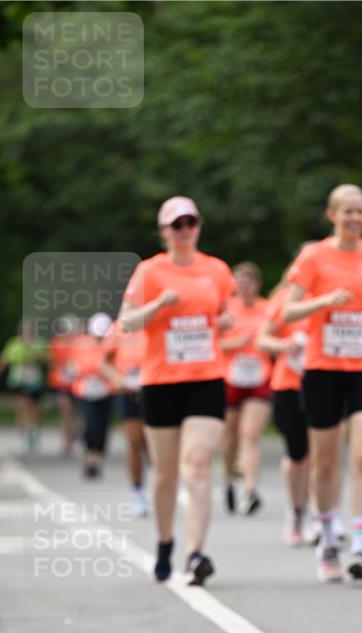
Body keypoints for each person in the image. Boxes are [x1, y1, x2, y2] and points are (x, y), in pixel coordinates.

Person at [118, 195, 236, 585]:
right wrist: (158, 306)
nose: (185, 231)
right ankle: (166, 541)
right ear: (164, 231)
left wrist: (225, 321)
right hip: (161, 381)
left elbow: (225, 313)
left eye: (191, 223)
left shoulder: (216, 269)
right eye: (177, 225)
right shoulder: (150, 271)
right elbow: (128, 323)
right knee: (166, 473)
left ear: (199, 226)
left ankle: (196, 552)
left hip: (206, 378)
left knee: (198, 465)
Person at [283, 183, 362, 582]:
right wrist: (323, 302)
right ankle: (328, 535)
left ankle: (360, 544)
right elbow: (289, 311)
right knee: (324, 462)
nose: (354, 218)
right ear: (332, 215)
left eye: (360, 211)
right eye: (346, 211)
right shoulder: (314, 257)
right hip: (323, 367)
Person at [258, 273, 310, 545]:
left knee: (321, 453)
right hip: (288, 384)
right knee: (296, 453)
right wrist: (284, 345)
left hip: (323, 383)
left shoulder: (332, 298)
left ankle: (314, 513)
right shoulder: (284, 299)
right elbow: (262, 339)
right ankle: (295, 511)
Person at [220, 262, 273, 515]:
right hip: (231, 376)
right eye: (239, 283)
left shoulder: (267, 308)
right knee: (230, 435)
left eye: (248, 283)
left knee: (250, 434)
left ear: (257, 285)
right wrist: (233, 345)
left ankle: (251, 490)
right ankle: (229, 479)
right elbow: (209, 342)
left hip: (260, 376)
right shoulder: (226, 308)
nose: (244, 287)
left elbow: (276, 335)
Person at [100, 320, 150, 517]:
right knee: (134, 441)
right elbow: (104, 363)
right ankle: (137, 491)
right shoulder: (118, 328)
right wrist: (117, 379)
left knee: (155, 443)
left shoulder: (158, 321)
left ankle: (165, 486)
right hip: (128, 391)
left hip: (155, 389)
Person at [68, 312, 115, 477]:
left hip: (106, 391)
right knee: (90, 425)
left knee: (102, 427)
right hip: (85, 390)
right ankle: (89, 456)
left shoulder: (113, 344)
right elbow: (74, 365)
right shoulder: (81, 343)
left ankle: (97, 458)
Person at [0, 319, 49, 454]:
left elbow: (48, 361)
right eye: (25, 331)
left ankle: (34, 434)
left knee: (35, 410)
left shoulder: (39, 343)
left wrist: (39, 357)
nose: (27, 334)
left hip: (35, 382)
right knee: (22, 407)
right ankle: (23, 436)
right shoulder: (14, 344)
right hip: (18, 381)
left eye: (30, 331)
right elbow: (3, 360)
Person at [48, 315, 80, 457]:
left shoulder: (79, 343)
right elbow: (52, 362)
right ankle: (67, 441)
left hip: (76, 382)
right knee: (65, 411)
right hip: (61, 382)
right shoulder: (57, 343)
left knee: (75, 412)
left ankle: (74, 434)